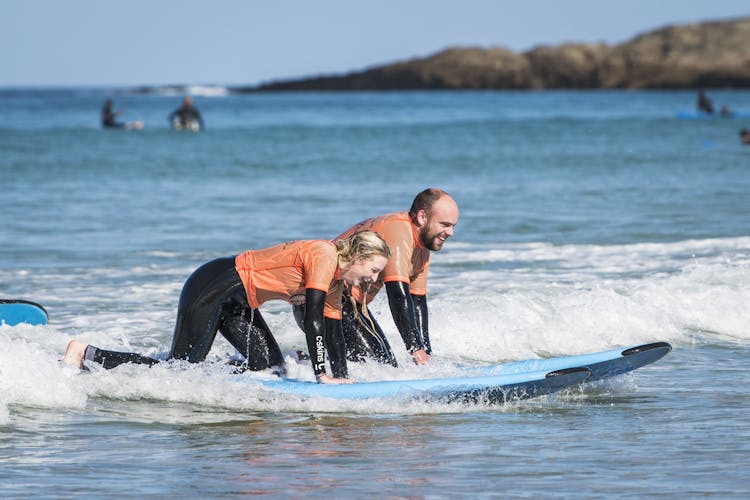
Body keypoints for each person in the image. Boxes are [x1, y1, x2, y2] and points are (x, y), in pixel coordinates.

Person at [62, 231, 391, 384]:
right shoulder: (325, 255)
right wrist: (323, 375)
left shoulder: (336, 282)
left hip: (239, 301)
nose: (372, 279)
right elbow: (314, 320)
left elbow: (332, 333)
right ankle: (86, 354)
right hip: (214, 284)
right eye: (373, 270)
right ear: (358, 257)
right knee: (178, 369)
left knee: (270, 368)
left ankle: (215, 381)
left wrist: (342, 379)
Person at [299, 188, 459, 368]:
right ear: (422, 217)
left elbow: (417, 302)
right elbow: (398, 296)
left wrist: (426, 354)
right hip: (318, 298)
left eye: (453, 226)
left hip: (348, 304)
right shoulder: (398, 230)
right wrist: (415, 348)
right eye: (445, 224)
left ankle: (305, 362)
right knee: (379, 365)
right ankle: (309, 365)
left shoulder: (422, 251)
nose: (451, 232)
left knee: (384, 363)